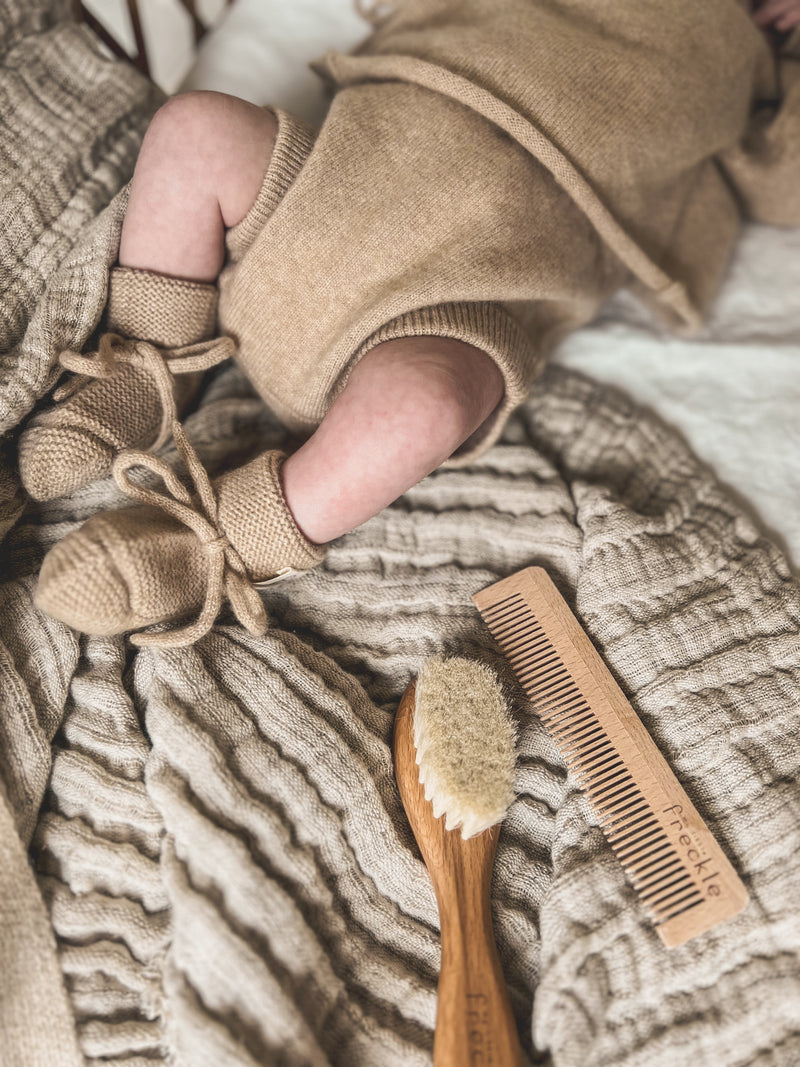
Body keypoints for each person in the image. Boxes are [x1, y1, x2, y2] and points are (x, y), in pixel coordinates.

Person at [20, 0, 799, 647]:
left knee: (428, 406)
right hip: (330, 182)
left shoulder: (749, 64)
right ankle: (146, 368)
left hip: (456, 295)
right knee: (195, 131)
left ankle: (214, 543)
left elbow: (785, 184)